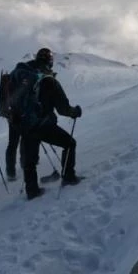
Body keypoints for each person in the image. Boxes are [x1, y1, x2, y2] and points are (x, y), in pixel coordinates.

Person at [15, 48, 83, 200]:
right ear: (50, 63)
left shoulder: (24, 77)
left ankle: (32, 191)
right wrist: (75, 112)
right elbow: (63, 109)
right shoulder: (50, 81)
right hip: (44, 125)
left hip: (25, 125)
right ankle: (69, 176)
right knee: (69, 143)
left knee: (30, 160)